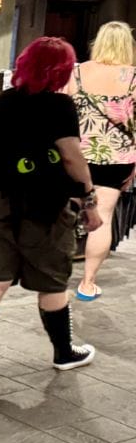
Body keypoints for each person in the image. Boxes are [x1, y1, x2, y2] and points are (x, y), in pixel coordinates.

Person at [0, 37, 103, 379]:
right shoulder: (60, 106)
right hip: (44, 206)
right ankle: (64, 352)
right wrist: (89, 199)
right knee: (52, 281)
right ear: (61, 71)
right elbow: (71, 157)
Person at [63, 20, 136, 300]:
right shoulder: (133, 78)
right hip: (116, 157)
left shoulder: (76, 73)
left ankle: (49, 275)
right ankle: (87, 283)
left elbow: (60, 113)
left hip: (76, 155)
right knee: (102, 218)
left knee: (63, 214)